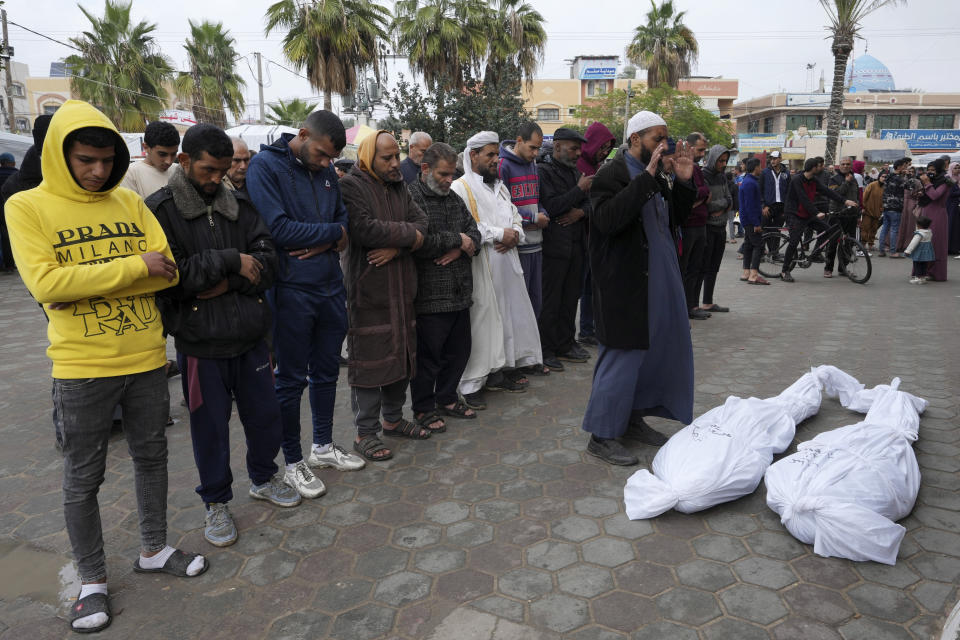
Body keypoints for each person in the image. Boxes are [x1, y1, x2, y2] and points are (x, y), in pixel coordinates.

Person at [5, 100, 206, 634]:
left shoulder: (128, 200)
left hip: (145, 357)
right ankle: (91, 580)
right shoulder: (27, 207)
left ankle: (154, 548)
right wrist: (133, 266)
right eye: (84, 160)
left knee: (153, 458)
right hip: (80, 365)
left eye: (104, 161)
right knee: (82, 477)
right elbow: (46, 285)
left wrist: (91, 277)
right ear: (59, 155)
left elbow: (168, 271)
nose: (96, 171)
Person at [148, 124, 301, 548]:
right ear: (183, 162)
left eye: (226, 167)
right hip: (201, 343)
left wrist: (229, 280)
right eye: (209, 170)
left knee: (265, 417)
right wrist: (234, 259)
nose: (219, 177)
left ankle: (264, 477)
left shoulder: (242, 205)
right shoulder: (161, 210)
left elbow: (270, 264)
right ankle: (215, 502)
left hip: (251, 335)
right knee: (210, 429)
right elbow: (174, 278)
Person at [246, 110, 364, 500]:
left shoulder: (327, 173)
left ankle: (323, 447)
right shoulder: (266, 166)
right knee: (291, 379)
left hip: (331, 285)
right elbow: (277, 228)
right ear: (301, 135)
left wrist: (331, 237)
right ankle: (293, 462)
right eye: (321, 154)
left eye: (331, 158)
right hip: (291, 289)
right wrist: (333, 234)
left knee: (327, 371)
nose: (327, 163)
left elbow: (346, 227)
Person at [581, 110, 697, 466]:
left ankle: (631, 420)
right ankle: (601, 435)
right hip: (626, 285)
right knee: (622, 356)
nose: (664, 145)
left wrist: (684, 181)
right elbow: (607, 220)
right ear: (635, 140)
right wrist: (647, 179)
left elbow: (675, 218)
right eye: (656, 138)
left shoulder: (659, 174)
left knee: (652, 354)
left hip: (660, 281)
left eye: (666, 138)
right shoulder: (610, 175)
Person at [340, 130, 430, 461]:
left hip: (402, 286)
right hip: (369, 289)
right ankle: (366, 432)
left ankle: (392, 420)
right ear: (368, 157)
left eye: (397, 156)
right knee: (370, 361)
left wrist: (395, 247)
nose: (396, 163)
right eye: (387, 158)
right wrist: (410, 237)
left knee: (401, 357)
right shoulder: (351, 185)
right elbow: (365, 228)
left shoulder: (399, 186)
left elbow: (424, 222)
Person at [452, 131, 542, 403]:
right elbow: (466, 227)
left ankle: (501, 371)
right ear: (473, 156)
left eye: (496, 154)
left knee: (508, 319)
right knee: (482, 325)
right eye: (489, 155)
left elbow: (514, 215)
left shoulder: (500, 186)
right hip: (483, 267)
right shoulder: (461, 187)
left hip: (508, 266)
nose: (495, 160)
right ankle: (473, 383)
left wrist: (515, 232)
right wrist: (500, 234)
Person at [407, 142, 482, 430]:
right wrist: (458, 241)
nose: (450, 180)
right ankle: (424, 408)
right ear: (425, 169)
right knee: (428, 357)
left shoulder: (453, 198)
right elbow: (420, 241)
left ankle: (447, 398)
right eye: (444, 174)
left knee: (459, 350)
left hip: (460, 291)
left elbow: (474, 232)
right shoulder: (412, 197)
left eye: (453, 174)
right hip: (429, 295)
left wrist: (461, 246)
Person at [537, 127, 593, 372]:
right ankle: (546, 348)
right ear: (557, 146)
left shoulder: (575, 172)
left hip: (576, 245)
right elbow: (551, 205)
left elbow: (592, 203)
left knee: (571, 299)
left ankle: (566, 343)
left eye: (579, 149)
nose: (578, 153)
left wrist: (581, 211)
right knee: (551, 301)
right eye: (573, 148)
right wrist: (578, 191)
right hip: (553, 247)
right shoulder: (543, 171)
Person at [498, 121, 549, 322]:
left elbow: (536, 200)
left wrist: (542, 213)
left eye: (538, 148)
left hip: (536, 243)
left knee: (536, 302)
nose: (536, 153)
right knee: (519, 304)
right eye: (532, 147)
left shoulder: (533, 165)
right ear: (519, 141)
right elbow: (503, 207)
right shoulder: (503, 166)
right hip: (518, 247)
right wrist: (533, 218)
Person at [779, 157, 858, 283]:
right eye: (819, 165)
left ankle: (815, 254)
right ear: (813, 168)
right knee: (794, 242)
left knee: (828, 231)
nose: (822, 167)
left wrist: (844, 200)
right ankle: (785, 271)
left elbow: (827, 192)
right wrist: (816, 213)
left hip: (807, 213)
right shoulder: (797, 180)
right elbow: (803, 199)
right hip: (794, 214)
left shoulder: (813, 180)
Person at [575, 122, 615, 347]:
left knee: (594, 285)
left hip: (596, 235)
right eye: (601, 147)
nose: (604, 152)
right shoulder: (579, 166)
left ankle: (590, 328)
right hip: (580, 236)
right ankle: (585, 329)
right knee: (582, 287)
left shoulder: (601, 168)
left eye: (607, 148)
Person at [1, 115, 53, 271]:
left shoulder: (36, 154)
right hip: (27, 201)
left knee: (7, 237)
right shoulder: (43, 152)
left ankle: (10, 264)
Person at [697, 145, 733, 314]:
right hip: (708, 227)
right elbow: (707, 204)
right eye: (720, 160)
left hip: (721, 227)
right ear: (713, 159)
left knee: (714, 267)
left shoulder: (723, 177)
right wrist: (721, 205)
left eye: (725, 161)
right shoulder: (704, 176)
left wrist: (724, 205)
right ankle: (694, 304)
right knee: (703, 266)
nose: (723, 164)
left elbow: (730, 199)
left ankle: (708, 302)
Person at [679, 132, 711, 319]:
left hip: (701, 223)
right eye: (700, 149)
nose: (702, 153)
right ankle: (684, 306)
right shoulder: (685, 167)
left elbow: (701, 193)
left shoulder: (698, 169)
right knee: (686, 268)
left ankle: (693, 304)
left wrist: (702, 195)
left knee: (697, 268)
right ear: (690, 147)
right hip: (688, 225)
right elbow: (691, 194)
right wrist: (703, 194)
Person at [120, 120, 180, 198]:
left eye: (173, 154)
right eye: (162, 154)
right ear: (146, 147)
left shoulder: (178, 171)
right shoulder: (130, 174)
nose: (168, 161)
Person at [823, 156, 860, 277]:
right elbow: (835, 194)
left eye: (847, 164)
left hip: (851, 215)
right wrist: (846, 182)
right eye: (843, 164)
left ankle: (843, 268)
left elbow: (856, 197)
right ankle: (828, 268)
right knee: (833, 243)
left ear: (851, 165)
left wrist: (858, 213)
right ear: (839, 165)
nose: (845, 166)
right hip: (837, 215)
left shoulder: (854, 179)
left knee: (849, 243)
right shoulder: (834, 178)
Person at [918, 158, 950, 281]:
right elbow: (923, 196)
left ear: (939, 170)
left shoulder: (945, 181)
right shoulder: (930, 181)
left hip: (938, 215)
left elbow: (935, 195)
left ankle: (936, 272)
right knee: (923, 241)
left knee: (936, 243)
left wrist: (927, 183)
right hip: (926, 213)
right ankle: (923, 271)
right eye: (928, 170)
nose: (930, 172)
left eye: (933, 170)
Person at [739, 158, 769, 284]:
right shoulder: (751, 183)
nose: (761, 169)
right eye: (760, 166)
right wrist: (756, 223)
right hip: (751, 220)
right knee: (759, 245)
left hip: (747, 218)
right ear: (756, 167)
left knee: (749, 244)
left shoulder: (747, 181)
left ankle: (746, 272)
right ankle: (754, 275)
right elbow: (750, 205)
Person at [876, 157, 910, 258]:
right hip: (896, 207)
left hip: (886, 206)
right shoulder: (899, 178)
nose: (906, 167)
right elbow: (910, 187)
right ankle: (893, 252)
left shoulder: (888, 176)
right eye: (904, 166)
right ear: (899, 167)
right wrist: (908, 176)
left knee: (885, 228)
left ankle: (881, 250)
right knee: (894, 229)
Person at [760, 150, 790, 259]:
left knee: (777, 230)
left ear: (780, 159)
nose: (772, 160)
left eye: (775, 158)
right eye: (771, 158)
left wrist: (786, 208)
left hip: (781, 207)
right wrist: (763, 205)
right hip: (768, 206)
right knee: (765, 230)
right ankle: (763, 252)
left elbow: (788, 191)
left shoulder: (786, 173)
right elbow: (760, 189)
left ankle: (774, 253)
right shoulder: (765, 172)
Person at [904, 215, 935, 284]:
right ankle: (923, 277)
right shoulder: (929, 232)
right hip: (926, 251)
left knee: (917, 264)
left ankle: (918, 278)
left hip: (919, 252)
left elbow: (913, 243)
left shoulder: (919, 234)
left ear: (919, 225)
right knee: (924, 265)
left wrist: (908, 251)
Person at [860, 169, 885, 251]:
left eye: (886, 177)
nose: (884, 178)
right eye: (882, 176)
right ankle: (863, 244)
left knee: (874, 229)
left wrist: (882, 209)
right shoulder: (872, 185)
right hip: (867, 210)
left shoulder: (885, 187)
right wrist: (863, 207)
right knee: (865, 228)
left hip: (877, 212)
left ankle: (871, 244)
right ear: (879, 177)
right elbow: (864, 196)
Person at [947, 162, 960, 256]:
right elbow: (950, 194)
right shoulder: (949, 178)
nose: (958, 169)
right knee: (951, 225)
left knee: (957, 227)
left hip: (957, 204)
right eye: (955, 168)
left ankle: (955, 248)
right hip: (951, 205)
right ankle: (948, 247)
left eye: (959, 168)